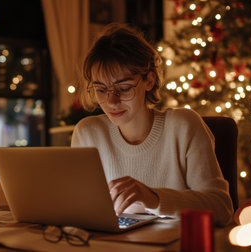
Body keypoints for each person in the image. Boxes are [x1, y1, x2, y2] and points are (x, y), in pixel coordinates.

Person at [71, 23, 233, 226]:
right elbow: (79, 210)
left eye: (124, 87)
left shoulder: (183, 127)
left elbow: (221, 208)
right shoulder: (88, 133)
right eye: (101, 90)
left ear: (149, 80)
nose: (112, 101)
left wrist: (154, 198)